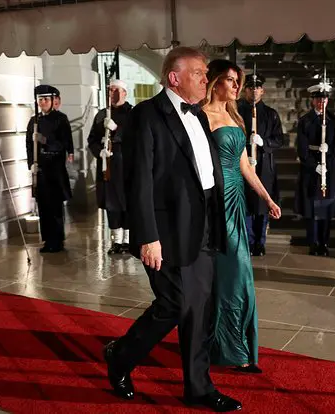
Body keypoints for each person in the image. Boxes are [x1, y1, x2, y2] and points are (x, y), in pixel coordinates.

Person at [104, 47, 242, 412]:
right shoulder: (147, 115)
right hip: (166, 231)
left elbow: (204, 171)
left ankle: (198, 388)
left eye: (206, 73)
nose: (205, 79)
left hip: (204, 224)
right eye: (198, 73)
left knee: (199, 309)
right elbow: (139, 181)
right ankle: (121, 355)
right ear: (174, 78)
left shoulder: (199, 114)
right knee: (174, 304)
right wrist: (148, 236)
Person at [202, 59, 281, 373]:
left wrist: (267, 197)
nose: (237, 87)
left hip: (236, 200)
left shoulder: (235, 116)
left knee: (241, 273)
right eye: (231, 80)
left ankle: (238, 349)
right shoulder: (201, 116)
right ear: (215, 82)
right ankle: (226, 348)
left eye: (239, 82)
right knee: (230, 273)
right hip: (216, 201)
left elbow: (245, 165)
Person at [294, 80, 335, 256]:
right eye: (318, 99)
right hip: (312, 168)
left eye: (324, 99)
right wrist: (314, 165)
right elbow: (302, 148)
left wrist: (330, 150)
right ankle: (313, 242)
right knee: (312, 207)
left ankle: (324, 242)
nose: (321, 102)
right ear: (312, 100)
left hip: (329, 167)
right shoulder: (305, 121)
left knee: (326, 207)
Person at [237, 73, 284, 256]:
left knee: (262, 205)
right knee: (247, 204)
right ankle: (248, 241)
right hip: (243, 163)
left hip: (264, 164)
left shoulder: (271, 114)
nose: (254, 91)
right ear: (245, 90)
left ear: (262, 91)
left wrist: (264, 142)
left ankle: (260, 241)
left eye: (257, 87)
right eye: (250, 87)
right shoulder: (237, 111)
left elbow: (279, 140)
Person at [25, 84, 74, 253]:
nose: (43, 102)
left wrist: (45, 140)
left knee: (55, 207)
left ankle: (57, 240)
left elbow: (64, 144)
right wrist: (31, 163)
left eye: (46, 99)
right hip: (40, 169)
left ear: (53, 101)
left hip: (55, 168)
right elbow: (29, 145)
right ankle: (47, 239)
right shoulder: (34, 121)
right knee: (43, 206)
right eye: (40, 100)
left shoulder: (60, 119)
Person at [87, 79, 133, 255]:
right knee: (111, 203)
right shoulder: (101, 114)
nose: (113, 93)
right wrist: (99, 152)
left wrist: (116, 130)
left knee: (126, 202)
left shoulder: (132, 113)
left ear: (125, 93)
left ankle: (127, 240)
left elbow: (136, 135)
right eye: (111, 90)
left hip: (126, 165)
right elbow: (92, 139)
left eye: (117, 90)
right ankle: (116, 241)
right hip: (108, 165)